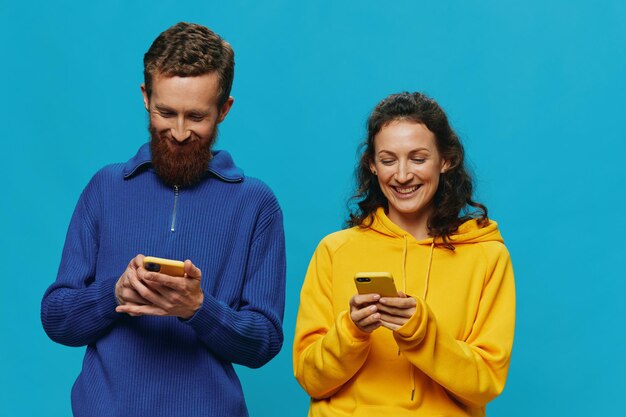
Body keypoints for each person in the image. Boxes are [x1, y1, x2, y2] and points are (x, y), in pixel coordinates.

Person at [41, 22, 286, 417]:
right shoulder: (105, 188)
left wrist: (198, 309)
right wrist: (115, 294)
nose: (179, 131)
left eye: (197, 116)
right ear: (145, 97)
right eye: (165, 112)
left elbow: (264, 342)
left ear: (224, 109)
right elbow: (56, 317)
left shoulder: (256, 204)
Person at [293, 92, 515, 417]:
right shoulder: (334, 251)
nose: (401, 175)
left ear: (446, 160)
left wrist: (420, 331)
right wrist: (352, 331)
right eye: (388, 160)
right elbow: (311, 379)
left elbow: (486, 382)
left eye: (418, 158)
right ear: (372, 164)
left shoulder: (487, 256)